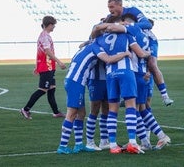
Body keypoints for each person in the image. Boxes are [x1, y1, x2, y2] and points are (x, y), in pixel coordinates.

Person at [56, 40, 131, 154]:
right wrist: (125, 53)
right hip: (76, 81)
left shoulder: (87, 46)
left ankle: (79, 144)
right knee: (71, 113)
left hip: (74, 80)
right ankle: (62, 146)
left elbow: (81, 47)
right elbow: (109, 59)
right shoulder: (96, 47)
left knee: (81, 113)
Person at [93, 16, 151, 154]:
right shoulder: (126, 34)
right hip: (126, 71)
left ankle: (113, 145)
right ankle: (132, 142)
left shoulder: (99, 40)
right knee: (131, 106)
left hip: (110, 74)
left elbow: (102, 54)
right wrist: (149, 53)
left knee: (112, 110)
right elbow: (141, 54)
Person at [20, 15, 66, 119]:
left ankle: (56, 112)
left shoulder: (45, 35)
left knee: (51, 89)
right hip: (46, 67)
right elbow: (47, 52)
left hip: (48, 67)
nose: (54, 27)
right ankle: (25, 109)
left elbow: (41, 52)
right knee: (42, 90)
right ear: (49, 25)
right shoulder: (45, 36)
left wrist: (37, 66)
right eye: (53, 25)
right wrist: (59, 62)